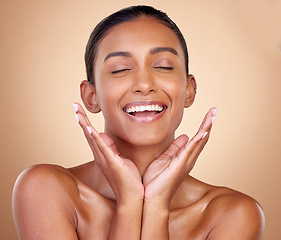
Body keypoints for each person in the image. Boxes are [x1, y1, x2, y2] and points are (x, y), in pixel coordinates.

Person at [12, 5, 265, 240]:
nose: (144, 84)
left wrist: (156, 206)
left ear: (188, 90)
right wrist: (129, 202)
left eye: (164, 67)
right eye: (120, 69)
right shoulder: (45, 190)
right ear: (91, 96)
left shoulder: (233, 214)